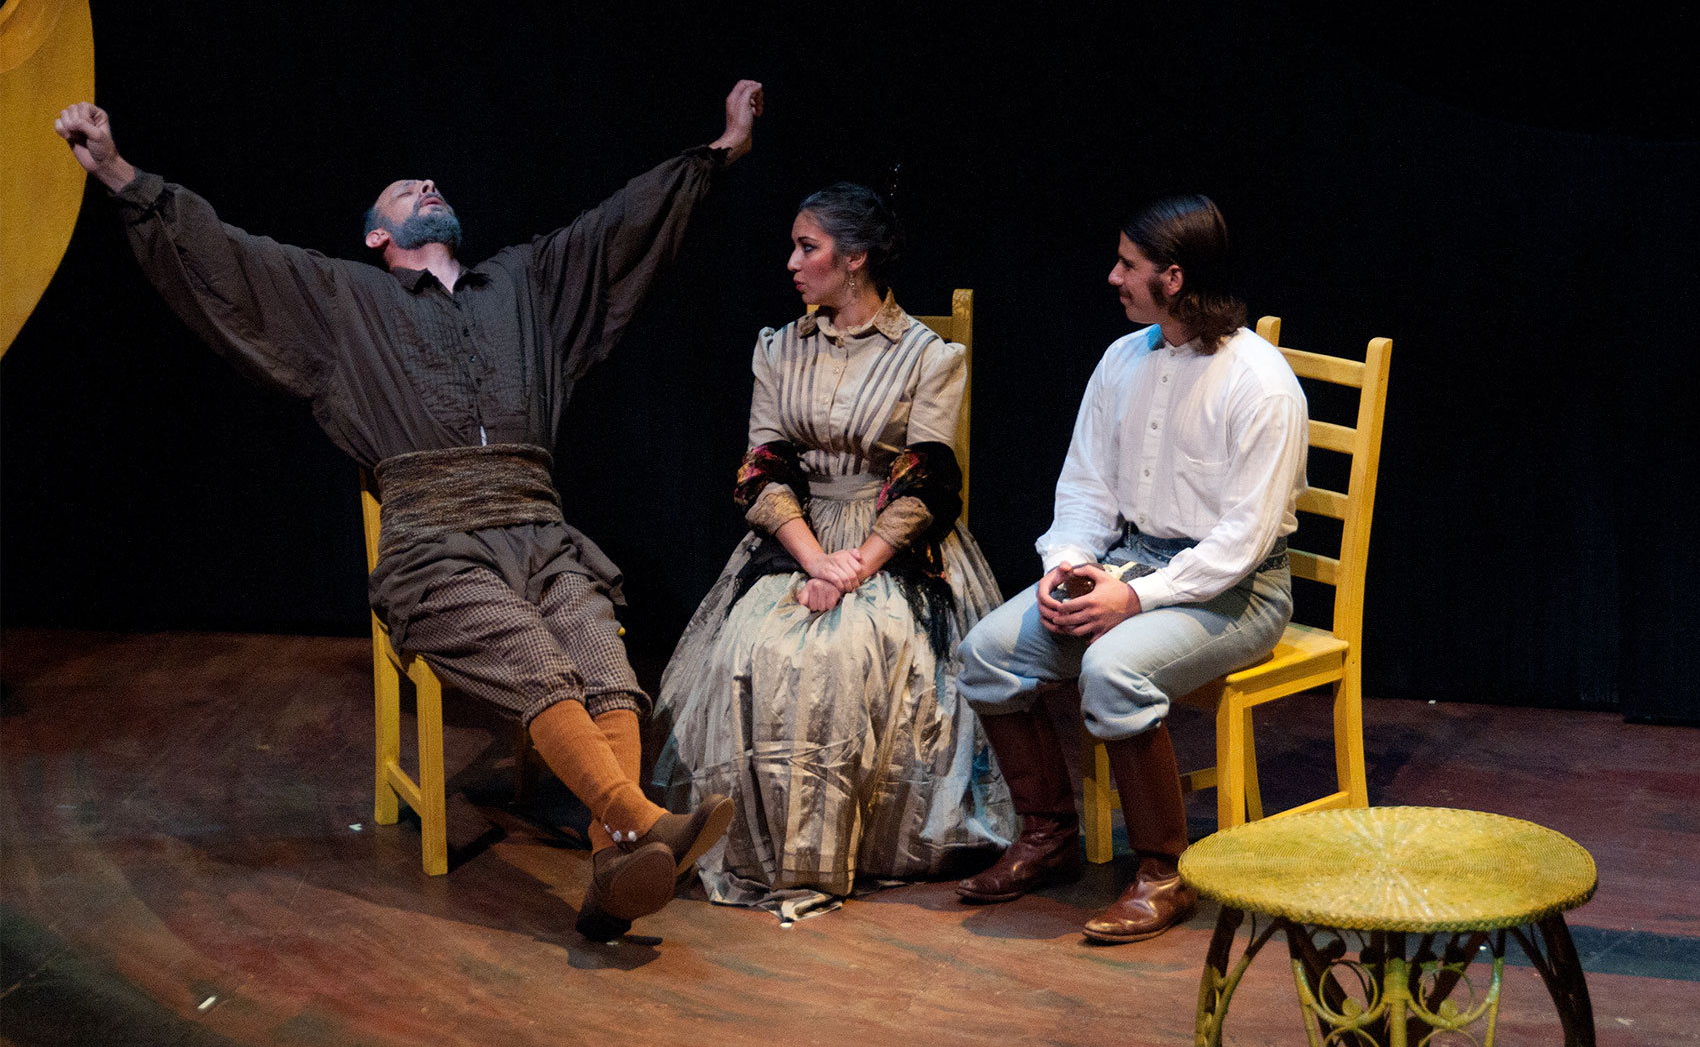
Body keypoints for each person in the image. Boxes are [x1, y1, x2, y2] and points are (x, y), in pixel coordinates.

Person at [52, 81, 764, 942]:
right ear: (376, 235)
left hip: (541, 531)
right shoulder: (342, 299)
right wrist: (120, 171)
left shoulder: (527, 284)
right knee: (537, 661)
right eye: (403, 191)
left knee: (603, 663)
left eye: (433, 184)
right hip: (434, 546)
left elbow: (619, 226)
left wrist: (719, 151)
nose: (427, 183)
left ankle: (615, 865)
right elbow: (227, 259)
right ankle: (640, 822)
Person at [650, 183, 1014, 921]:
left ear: (855, 260)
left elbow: (930, 479)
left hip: (894, 544)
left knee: (845, 659)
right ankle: (759, 847)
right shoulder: (779, 347)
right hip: (797, 535)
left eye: (807, 247)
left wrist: (858, 564)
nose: (791, 262)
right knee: (747, 652)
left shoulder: (929, 357)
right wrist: (816, 560)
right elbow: (762, 469)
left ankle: (847, 847)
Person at [954, 194, 1307, 943]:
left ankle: (1164, 872)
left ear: (1174, 278)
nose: (1113, 276)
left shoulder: (1261, 383)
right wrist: (1070, 566)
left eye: (1129, 265)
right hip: (1128, 563)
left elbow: (1238, 546)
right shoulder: (1122, 359)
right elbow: (1085, 488)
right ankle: (1048, 837)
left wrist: (1133, 599)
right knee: (986, 653)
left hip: (1237, 589)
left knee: (1112, 670)